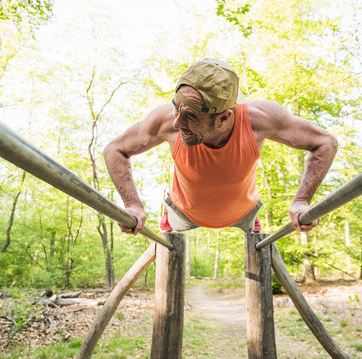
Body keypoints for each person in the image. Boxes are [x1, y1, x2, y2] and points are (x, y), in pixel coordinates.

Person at [103, 58, 337, 236]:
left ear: (224, 118)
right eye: (176, 108)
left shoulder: (259, 120)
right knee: (167, 252)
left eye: (190, 116)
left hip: (244, 214)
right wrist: (133, 205)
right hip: (181, 214)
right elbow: (115, 150)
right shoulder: (164, 120)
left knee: (261, 252)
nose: (176, 122)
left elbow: (325, 143)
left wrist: (302, 201)